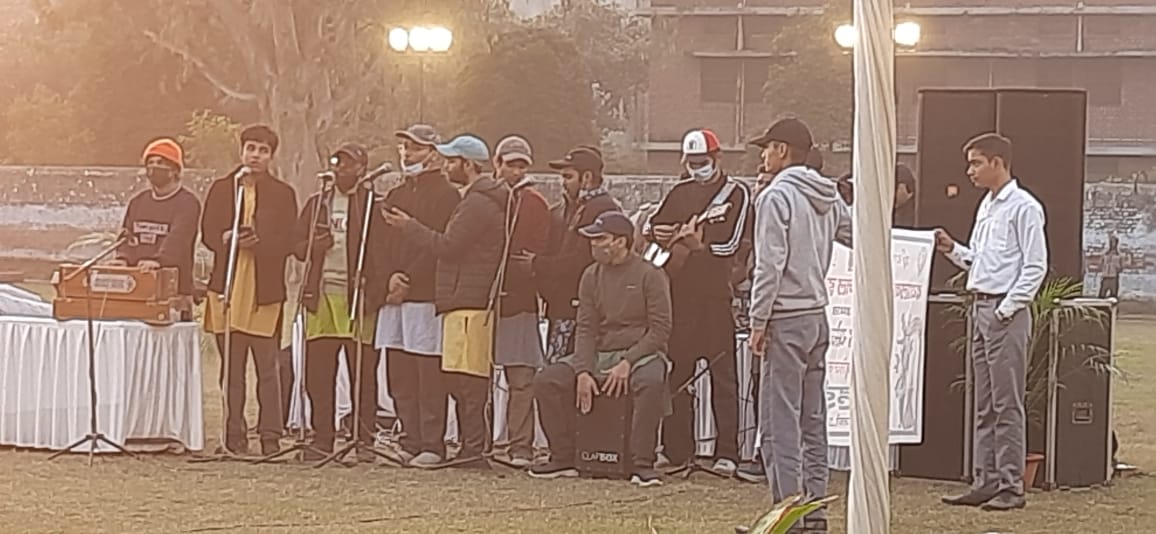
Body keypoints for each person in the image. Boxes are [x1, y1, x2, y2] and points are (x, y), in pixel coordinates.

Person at [748, 117, 851, 533]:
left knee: (779, 423)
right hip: (816, 315)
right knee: (813, 419)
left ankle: (786, 515)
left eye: (767, 148)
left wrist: (758, 319)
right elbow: (855, 232)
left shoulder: (777, 196)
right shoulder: (827, 195)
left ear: (782, 150)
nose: (763, 156)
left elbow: (769, 264)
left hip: (785, 315)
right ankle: (815, 510)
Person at [937, 132, 1047, 512]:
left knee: (1006, 403)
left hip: (1004, 312)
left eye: (976, 163)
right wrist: (952, 250)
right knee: (983, 402)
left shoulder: (1024, 207)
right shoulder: (986, 205)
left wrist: (1006, 309)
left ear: (997, 162)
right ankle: (985, 479)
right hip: (981, 306)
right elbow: (981, 261)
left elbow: (1035, 267)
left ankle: (1011, 485)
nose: (970, 171)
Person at [384, 134, 507, 467]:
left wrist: (410, 226)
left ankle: (471, 450)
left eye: (453, 161)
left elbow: (448, 246)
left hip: (468, 298)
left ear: (468, 164)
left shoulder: (477, 203)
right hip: (459, 297)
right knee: (459, 379)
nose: (448, 166)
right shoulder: (473, 199)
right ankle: (465, 449)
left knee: (468, 382)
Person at [529, 211, 671, 487]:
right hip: (600, 351)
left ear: (621, 241)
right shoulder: (591, 275)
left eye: (600, 238)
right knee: (547, 380)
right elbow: (586, 328)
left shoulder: (651, 274)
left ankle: (642, 462)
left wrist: (628, 361)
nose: (593, 244)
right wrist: (583, 370)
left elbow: (660, 330)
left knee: (650, 381)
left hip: (642, 353)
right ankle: (563, 456)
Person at [645, 128, 751, 476]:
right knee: (678, 376)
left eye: (702, 162)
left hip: (715, 296)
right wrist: (661, 235)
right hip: (680, 295)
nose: (696, 168)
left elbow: (731, 246)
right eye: (691, 163)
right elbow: (653, 232)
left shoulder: (736, 193)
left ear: (717, 158)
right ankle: (676, 448)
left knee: (723, 377)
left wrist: (698, 248)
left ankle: (727, 452)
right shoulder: (679, 191)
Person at [201, 125, 298, 456]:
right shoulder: (222, 188)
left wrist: (260, 243)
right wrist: (227, 238)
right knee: (231, 370)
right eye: (251, 148)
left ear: (272, 156)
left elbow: (289, 240)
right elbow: (208, 234)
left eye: (262, 150)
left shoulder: (283, 194)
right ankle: (234, 436)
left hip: (264, 292)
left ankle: (270, 437)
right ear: (241, 151)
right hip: (226, 289)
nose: (255, 155)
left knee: (267, 369)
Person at [374, 124, 461, 467]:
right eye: (405, 148)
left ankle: (431, 443)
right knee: (399, 371)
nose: (408, 154)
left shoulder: (447, 195)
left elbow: (439, 244)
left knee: (428, 374)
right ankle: (408, 438)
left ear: (434, 154)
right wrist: (389, 278)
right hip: (393, 297)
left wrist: (408, 278)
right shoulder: (395, 194)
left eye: (416, 148)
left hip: (424, 295)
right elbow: (379, 244)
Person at [292, 143, 382, 460]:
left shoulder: (371, 205)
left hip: (358, 299)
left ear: (362, 169)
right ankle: (322, 439)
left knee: (362, 373)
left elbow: (383, 250)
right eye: (338, 163)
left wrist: (373, 284)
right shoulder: (318, 203)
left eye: (350, 164)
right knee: (319, 374)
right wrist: (313, 245)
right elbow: (296, 246)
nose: (342, 169)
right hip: (321, 298)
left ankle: (364, 439)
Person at [513, 147, 620, 365]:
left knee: (568, 371)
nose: (563, 183)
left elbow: (581, 260)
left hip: (583, 311)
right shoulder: (568, 208)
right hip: (563, 307)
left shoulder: (602, 210)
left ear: (587, 177)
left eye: (568, 177)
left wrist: (537, 264)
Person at [491, 135, 550, 467]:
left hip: (519, 300)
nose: (516, 171)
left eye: (521, 166)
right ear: (497, 164)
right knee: (476, 378)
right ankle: (479, 443)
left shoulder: (534, 202)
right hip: (484, 300)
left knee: (521, 378)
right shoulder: (485, 197)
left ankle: (520, 446)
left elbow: (534, 252)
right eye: (510, 164)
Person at [115, 138, 201, 321]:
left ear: (175, 170)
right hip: (135, 288)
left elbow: (178, 239)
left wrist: (158, 261)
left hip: (174, 291)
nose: (154, 167)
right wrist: (122, 259)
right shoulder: (137, 202)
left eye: (161, 163)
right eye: (151, 163)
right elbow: (126, 237)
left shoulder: (188, 203)